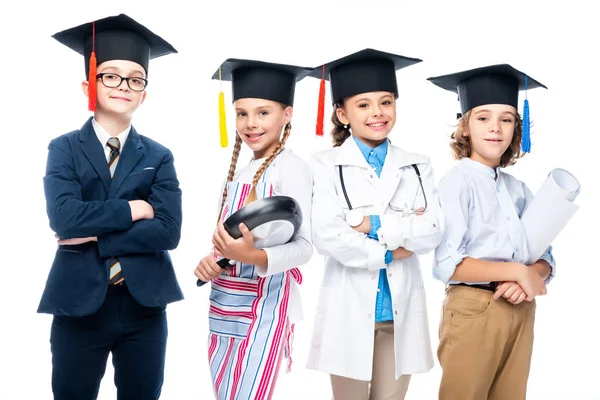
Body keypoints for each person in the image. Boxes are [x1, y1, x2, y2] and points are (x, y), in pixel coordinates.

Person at [38, 14, 183, 400]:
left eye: (136, 79)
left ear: (144, 93)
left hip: (145, 307)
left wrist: (91, 235)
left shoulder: (159, 155)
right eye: (111, 75)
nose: (124, 86)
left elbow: (168, 231)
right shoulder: (64, 148)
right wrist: (136, 208)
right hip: (77, 305)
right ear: (89, 83)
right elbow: (64, 217)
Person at [306, 48, 444, 400]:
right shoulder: (324, 165)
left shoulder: (417, 165)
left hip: (399, 317)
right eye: (364, 104)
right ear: (342, 113)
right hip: (347, 312)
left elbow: (431, 230)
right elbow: (326, 236)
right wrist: (390, 249)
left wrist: (368, 223)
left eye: (386, 102)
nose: (377, 113)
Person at [428, 64, 556, 400]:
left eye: (507, 119)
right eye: (483, 117)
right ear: (465, 126)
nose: (495, 128)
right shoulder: (456, 183)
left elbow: (546, 256)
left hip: (520, 308)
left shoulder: (519, 189)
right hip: (474, 308)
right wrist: (516, 271)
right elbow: (448, 263)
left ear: (517, 128)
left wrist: (529, 276)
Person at [194, 58, 313, 400]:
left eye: (263, 113)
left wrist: (253, 256)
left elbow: (304, 247)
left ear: (286, 115)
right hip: (225, 305)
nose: (251, 123)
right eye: (242, 113)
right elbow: (230, 243)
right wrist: (213, 260)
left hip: (264, 308)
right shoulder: (239, 173)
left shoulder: (291, 168)